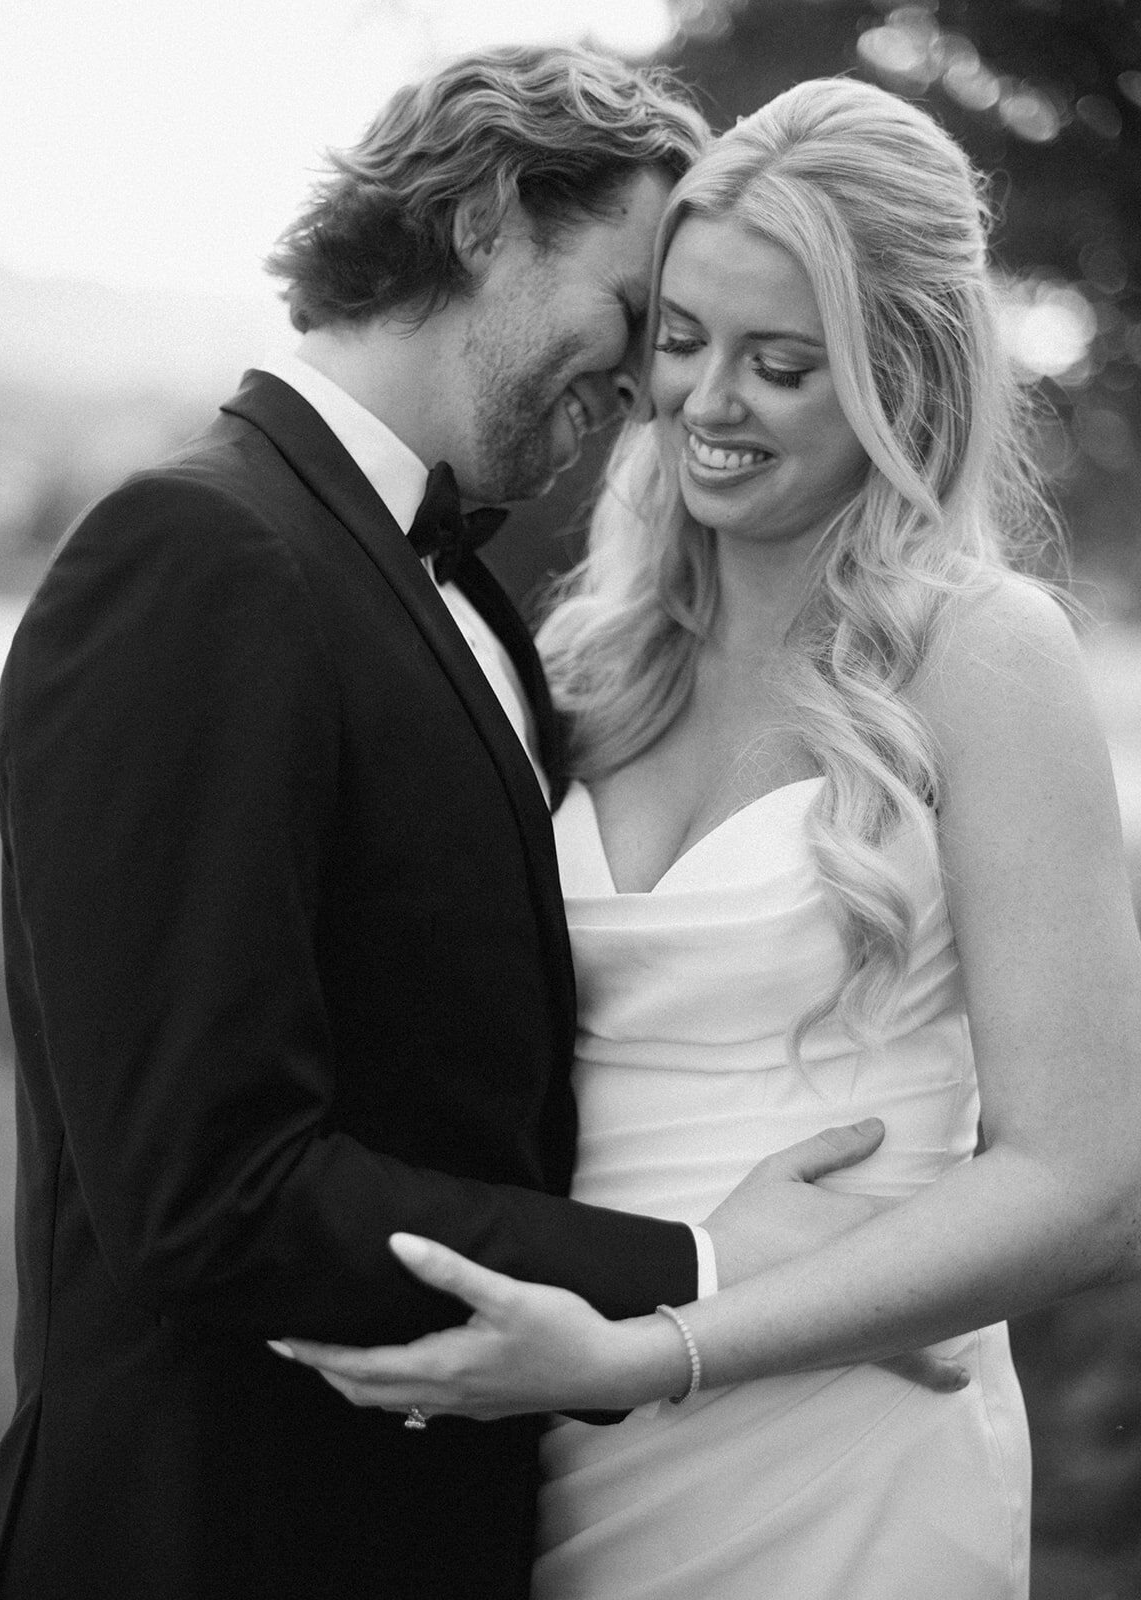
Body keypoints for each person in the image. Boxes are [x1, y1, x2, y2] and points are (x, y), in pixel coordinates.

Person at [0, 50, 947, 1600]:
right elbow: (209, 1195)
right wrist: (693, 1277)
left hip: (453, 1524)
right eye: (640, 319)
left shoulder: (464, 595)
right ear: (493, 217)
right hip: (216, 1535)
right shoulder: (199, 554)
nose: (647, 391)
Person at [275, 78, 1141, 1600]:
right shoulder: (589, 663)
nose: (704, 402)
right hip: (543, 1415)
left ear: (903, 378)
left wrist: (665, 1342)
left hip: (831, 1442)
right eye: (679, 340)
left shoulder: (982, 656)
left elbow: (1088, 1178)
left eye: (784, 364)